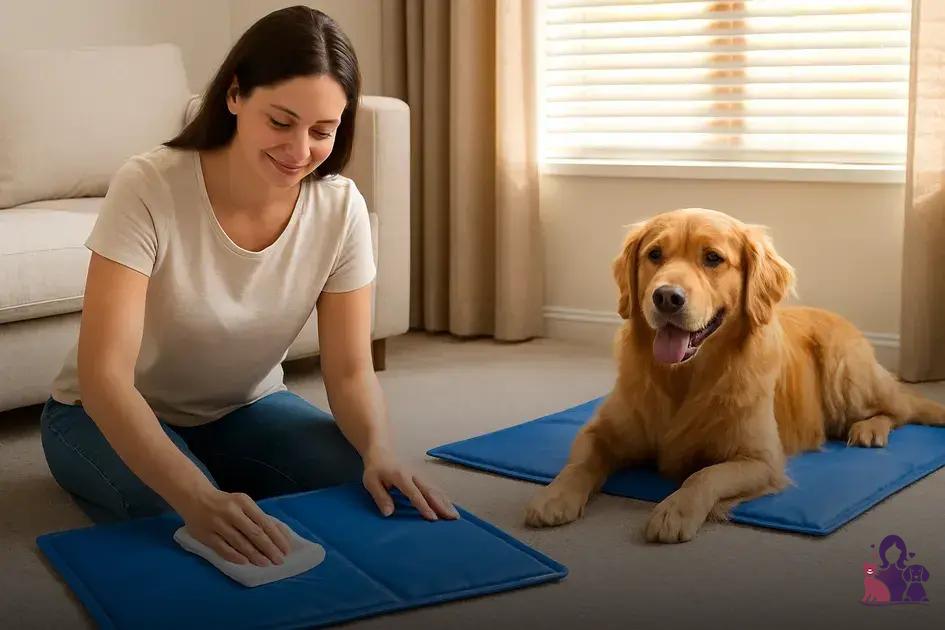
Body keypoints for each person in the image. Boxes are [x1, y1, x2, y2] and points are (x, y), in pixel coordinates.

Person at [40, 5, 457, 569]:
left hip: (245, 409)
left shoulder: (341, 208)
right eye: (280, 122)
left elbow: (351, 369)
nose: (299, 150)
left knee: (365, 487)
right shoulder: (149, 184)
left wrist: (379, 450)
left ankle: (216, 473)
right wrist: (196, 497)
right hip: (98, 413)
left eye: (322, 131)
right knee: (188, 529)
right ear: (235, 96)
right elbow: (105, 380)